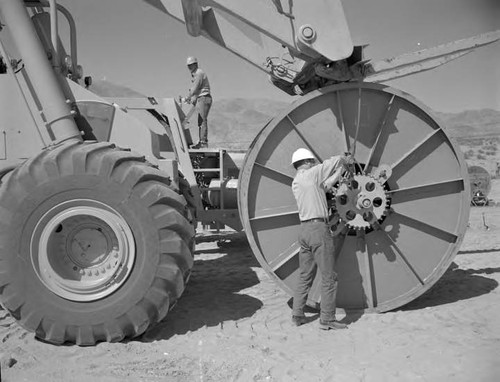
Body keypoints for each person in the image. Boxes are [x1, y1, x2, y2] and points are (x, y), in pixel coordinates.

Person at [290, 148, 352, 330]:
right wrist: (343, 158)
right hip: (318, 230)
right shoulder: (311, 174)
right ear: (307, 162)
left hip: (304, 230)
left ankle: (297, 314)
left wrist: (341, 170)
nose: (315, 164)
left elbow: (326, 185)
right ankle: (327, 319)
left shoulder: (298, 182)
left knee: (304, 275)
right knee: (329, 277)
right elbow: (328, 164)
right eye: (312, 161)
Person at [185, 56, 212, 149]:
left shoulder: (199, 73)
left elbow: (195, 88)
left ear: (195, 64)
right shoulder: (196, 74)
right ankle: (202, 141)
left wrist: (188, 97)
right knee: (201, 120)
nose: (189, 68)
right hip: (202, 98)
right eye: (188, 66)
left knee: (202, 120)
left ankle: (203, 142)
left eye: (191, 65)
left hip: (204, 98)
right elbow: (196, 90)